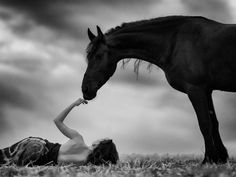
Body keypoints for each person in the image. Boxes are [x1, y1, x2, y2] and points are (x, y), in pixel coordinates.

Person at [0, 98, 119, 166]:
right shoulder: (85, 165)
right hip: (42, 161)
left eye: (101, 140)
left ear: (99, 145)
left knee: (3, 155)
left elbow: (57, 121)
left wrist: (74, 104)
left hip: (39, 145)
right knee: (7, 164)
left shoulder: (78, 139)